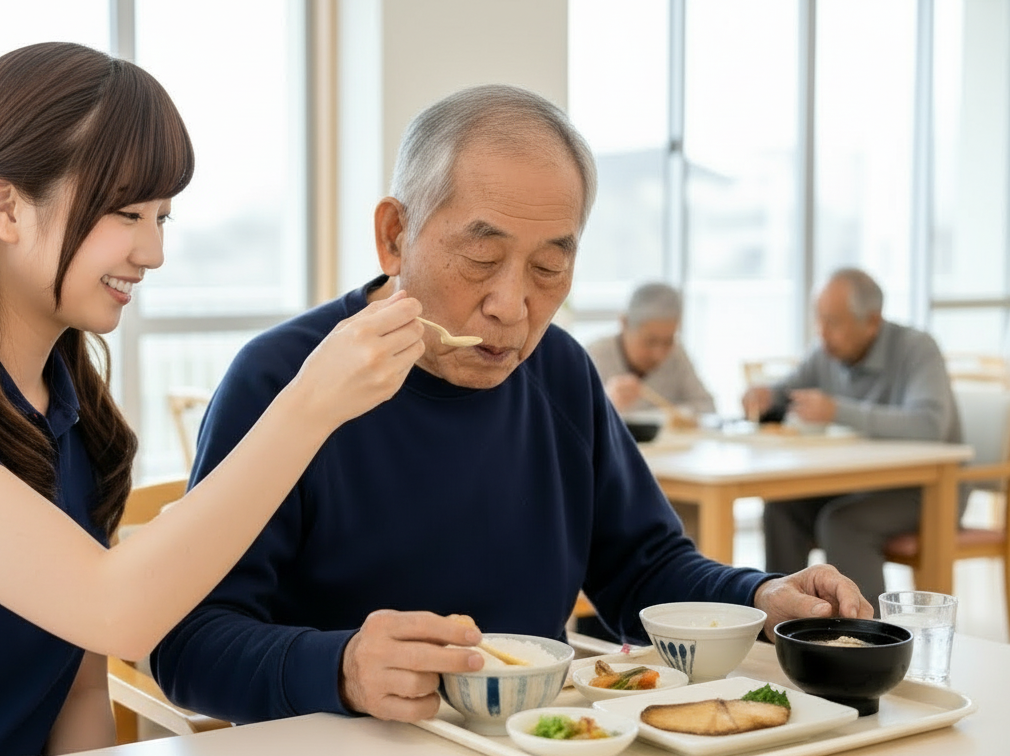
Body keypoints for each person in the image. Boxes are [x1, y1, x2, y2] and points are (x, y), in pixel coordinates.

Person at [0, 43, 426, 756]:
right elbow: (114, 610)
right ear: (5, 206)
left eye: (163, 217)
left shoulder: (82, 427)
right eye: (127, 213)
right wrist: (310, 402)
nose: (152, 251)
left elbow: (77, 687)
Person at [151, 84, 871, 726]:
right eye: (481, 259)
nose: (512, 308)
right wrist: (342, 667)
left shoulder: (559, 372)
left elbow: (644, 571)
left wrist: (762, 597)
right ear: (394, 235)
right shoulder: (286, 379)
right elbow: (187, 644)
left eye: (550, 269)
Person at [742, 267, 963, 605]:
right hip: (861, 485)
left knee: (842, 522)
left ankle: (867, 635)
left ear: (871, 321)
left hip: (927, 490)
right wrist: (767, 395)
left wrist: (838, 410)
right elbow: (786, 391)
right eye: (819, 321)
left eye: (833, 322)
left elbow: (929, 424)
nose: (822, 332)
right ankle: (783, 621)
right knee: (781, 508)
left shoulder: (917, 349)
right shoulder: (827, 353)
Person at [587, 282, 715, 418]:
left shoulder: (677, 355)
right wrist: (606, 404)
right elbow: (575, 420)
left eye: (668, 341)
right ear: (624, 323)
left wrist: (675, 415)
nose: (658, 354)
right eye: (650, 341)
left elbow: (708, 407)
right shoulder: (593, 357)